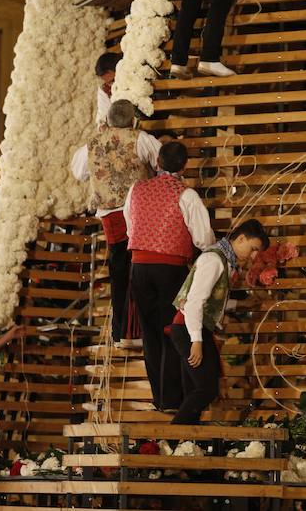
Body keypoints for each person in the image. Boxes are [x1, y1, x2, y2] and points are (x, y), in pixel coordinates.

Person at [123, 141, 215, 412]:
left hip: (138, 266)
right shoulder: (186, 195)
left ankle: (159, 398)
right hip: (171, 268)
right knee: (172, 331)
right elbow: (203, 238)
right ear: (184, 166)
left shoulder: (136, 189)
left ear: (157, 163)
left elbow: (130, 226)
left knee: (151, 334)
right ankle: (172, 400)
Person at [71, 99, 161, 346]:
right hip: (141, 214)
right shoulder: (141, 139)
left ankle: (121, 332)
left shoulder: (91, 144)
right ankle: (141, 331)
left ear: (108, 121)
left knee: (119, 273)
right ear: (132, 120)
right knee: (143, 269)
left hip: (112, 218)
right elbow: (162, 165)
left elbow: (78, 172)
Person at [168, 218, 268, 424]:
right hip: (189, 327)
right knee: (205, 390)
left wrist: (241, 305)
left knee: (194, 391)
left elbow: (212, 299)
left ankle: (182, 446)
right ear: (241, 239)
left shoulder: (225, 261)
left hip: (193, 327)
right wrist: (196, 340)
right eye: (254, 248)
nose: (254, 255)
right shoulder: (214, 260)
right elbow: (195, 302)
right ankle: (170, 439)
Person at [95, 51, 121, 125]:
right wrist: (102, 125)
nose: (111, 85)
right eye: (108, 82)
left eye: (113, 80)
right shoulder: (105, 89)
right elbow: (103, 114)